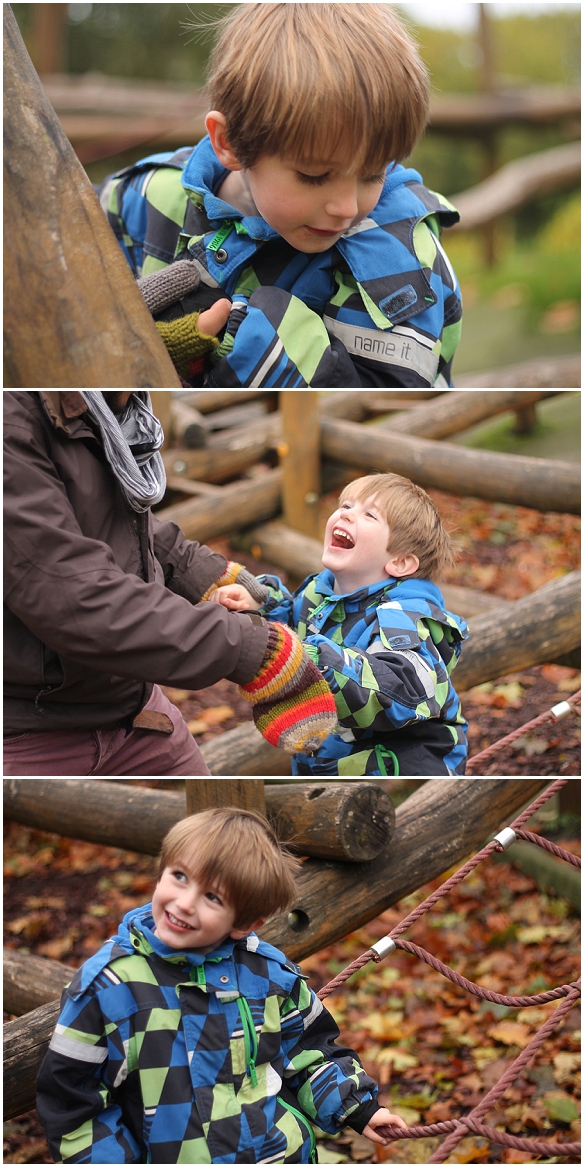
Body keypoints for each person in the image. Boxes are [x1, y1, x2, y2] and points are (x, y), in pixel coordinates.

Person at [97, 3, 462, 388]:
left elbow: (388, 403)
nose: (347, 208)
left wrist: (268, 360)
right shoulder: (143, 198)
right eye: (314, 176)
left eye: (373, 173)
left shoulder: (397, 257)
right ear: (231, 142)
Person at [36, 807, 408, 1163]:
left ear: (244, 923)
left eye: (212, 897)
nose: (184, 904)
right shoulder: (110, 986)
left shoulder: (269, 975)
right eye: (179, 877)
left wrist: (359, 1108)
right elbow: (74, 1102)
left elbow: (310, 1052)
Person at [3, 391, 337, 776]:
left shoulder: (106, 406)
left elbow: (110, 521)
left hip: (132, 706)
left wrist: (199, 572)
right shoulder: (14, 421)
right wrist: (250, 650)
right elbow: (72, 597)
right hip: (27, 727)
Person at [210, 473, 469, 776]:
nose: (346, 513)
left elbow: (396, 692)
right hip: (330, 762)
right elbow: (290, 623)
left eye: (369, 514)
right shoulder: (320, 592)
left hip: (399, 765)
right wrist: (256, 607)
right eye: (346, 504)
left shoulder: (406, 617)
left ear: (399, 562)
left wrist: (313, 658)